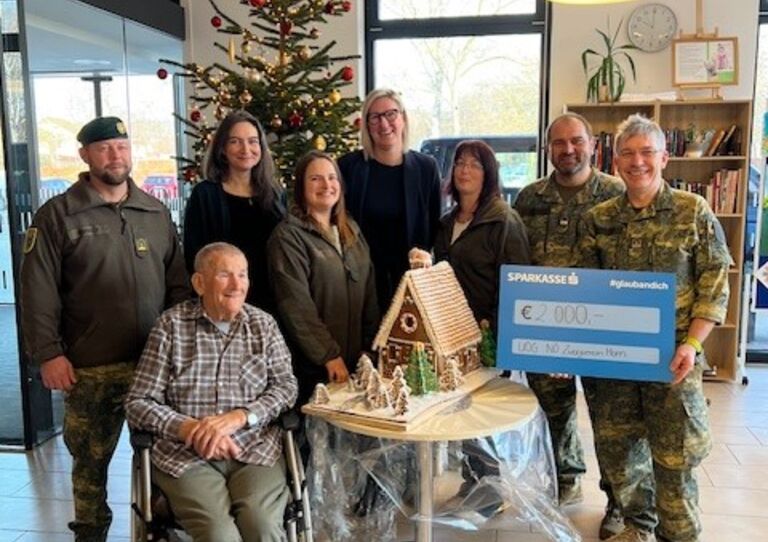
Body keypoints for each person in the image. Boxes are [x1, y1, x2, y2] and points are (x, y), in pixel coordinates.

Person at [19, 116, 190, 542]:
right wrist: (48, 354)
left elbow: (178, 285)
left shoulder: (153, 211)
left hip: (154, 369)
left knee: (161, 460)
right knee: (90, 468)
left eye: (122, 146)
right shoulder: (58, 215)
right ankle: (91, 535)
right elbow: (37, 291)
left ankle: (156, 532)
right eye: (104, 148)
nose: (116, 156)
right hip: (90, 367)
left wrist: (182, 350)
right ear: (85, 155)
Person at [577, 114, 731, 542]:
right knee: (620, 457)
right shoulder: (600, 218)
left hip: (673, 363)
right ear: (615, 159)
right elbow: (584, 294)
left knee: (674, 460)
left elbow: (714, 283)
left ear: (664, 157)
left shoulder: (691, 211)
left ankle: (678, 536)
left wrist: (693, 344)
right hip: (616, 368)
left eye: (646, 151)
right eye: (627, 153)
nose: (637, 161)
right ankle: (637, 528)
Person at [125, 242, 298, 541]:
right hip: (185, 455)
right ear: (199, 282)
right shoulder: (171, 326)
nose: (237, 285)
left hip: (254, 450)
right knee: (219, 535)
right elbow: (139, 401)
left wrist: (242, 416)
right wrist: (189, 428)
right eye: (224, 275)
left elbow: (286, 387)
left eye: (243, 275)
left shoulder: (263, 325)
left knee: (262, 525)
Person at [513, 112, 625, 538]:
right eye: (559, 143)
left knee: (610, 418)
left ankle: (618, 500)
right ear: (549, 149)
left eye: (576, 141)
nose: (568, 150)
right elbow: (517, 262)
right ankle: (565, 478)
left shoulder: (616, 194)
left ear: (593, 144)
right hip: (547, 328)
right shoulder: (529, 198)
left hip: (604, 327)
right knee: (554, 411)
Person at [433, 139, 530, 501]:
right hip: (452, 333)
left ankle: (491, 491)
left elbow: (518, 280)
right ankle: (475, 482)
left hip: (488, 334)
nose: (465, 170)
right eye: (459, 163)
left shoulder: (504, 220)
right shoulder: (446, 224)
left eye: (474, 164)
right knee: (461, 411)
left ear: (488, 173)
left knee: (482, 414)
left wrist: (499, 331)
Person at [267, 151, 379, 408]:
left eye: (332, 177)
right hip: (316, 367)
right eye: (316, 179)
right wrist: (328, 355)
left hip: (357, 362)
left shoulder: (351, 231)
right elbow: (295, 305)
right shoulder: (288, 237)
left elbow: (370, 294)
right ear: (301, 188)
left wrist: (370, 350)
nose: (326, 185)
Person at [339, 88, 442, 309]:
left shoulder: (426, 168)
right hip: (361, 281)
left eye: (391, 114)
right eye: (375, 117)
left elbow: (434, 225)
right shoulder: (348, 167)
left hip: (410, 281)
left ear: (403, 118)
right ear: (366, 125)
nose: (384, 124)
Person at [183, 110, 285, 313]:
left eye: (253, 141)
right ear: (222, 149)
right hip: (224, 301)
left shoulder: (275, 194)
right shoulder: (205, 195)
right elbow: (194, 257)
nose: (246, 149)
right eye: (235, 142)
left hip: (272, 302)